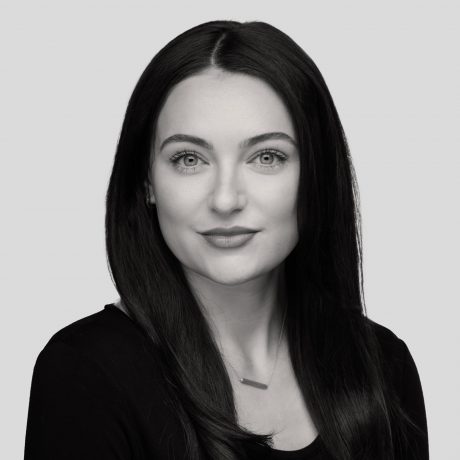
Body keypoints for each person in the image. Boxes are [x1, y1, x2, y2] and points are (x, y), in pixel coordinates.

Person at [24, 20, 429, 460]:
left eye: (267, 156)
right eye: (189, 159)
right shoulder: (85, 372)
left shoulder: (383, 365)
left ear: (316, 174)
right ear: (147, 181)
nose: (225, 199)